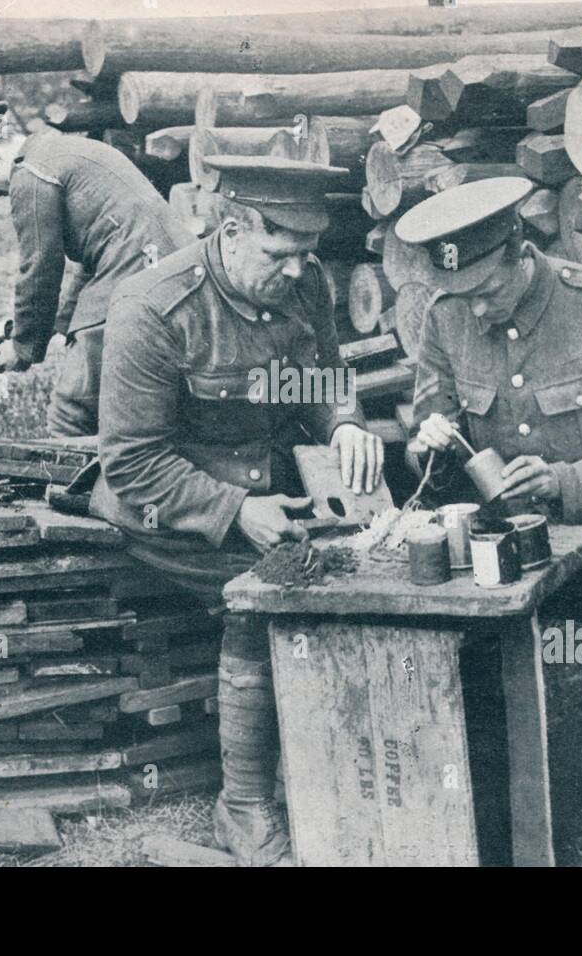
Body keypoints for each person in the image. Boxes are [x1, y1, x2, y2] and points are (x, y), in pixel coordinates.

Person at [92, 155, 385, 865]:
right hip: (169, 510)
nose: (297, 273)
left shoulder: (305, 280)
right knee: (267, 596)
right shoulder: (153, 306)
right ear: (231, 230)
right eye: (280, 255)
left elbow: (321, 372)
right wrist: (234, 509)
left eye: (306, 256)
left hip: (273, 492)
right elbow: (131, 462)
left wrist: (343, 421)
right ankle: (245, 804)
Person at [398, 177, 582, 846]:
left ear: (521, 250)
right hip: (506, 537)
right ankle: (492, 820)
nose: (478, 315)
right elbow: (432, 455)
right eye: (463, 298)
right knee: (462, 646)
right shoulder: (445, 318)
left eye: (489, 293)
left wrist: (563, 481)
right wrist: (428, 446)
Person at [0, 102, 193, 436]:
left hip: (138, 276)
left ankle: (73, 488)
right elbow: (91, 261)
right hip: (175, 266)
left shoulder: (30, 173)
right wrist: (59, 324)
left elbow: (39, 268)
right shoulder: (60, 148)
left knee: (71, 412)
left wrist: (24, 347)